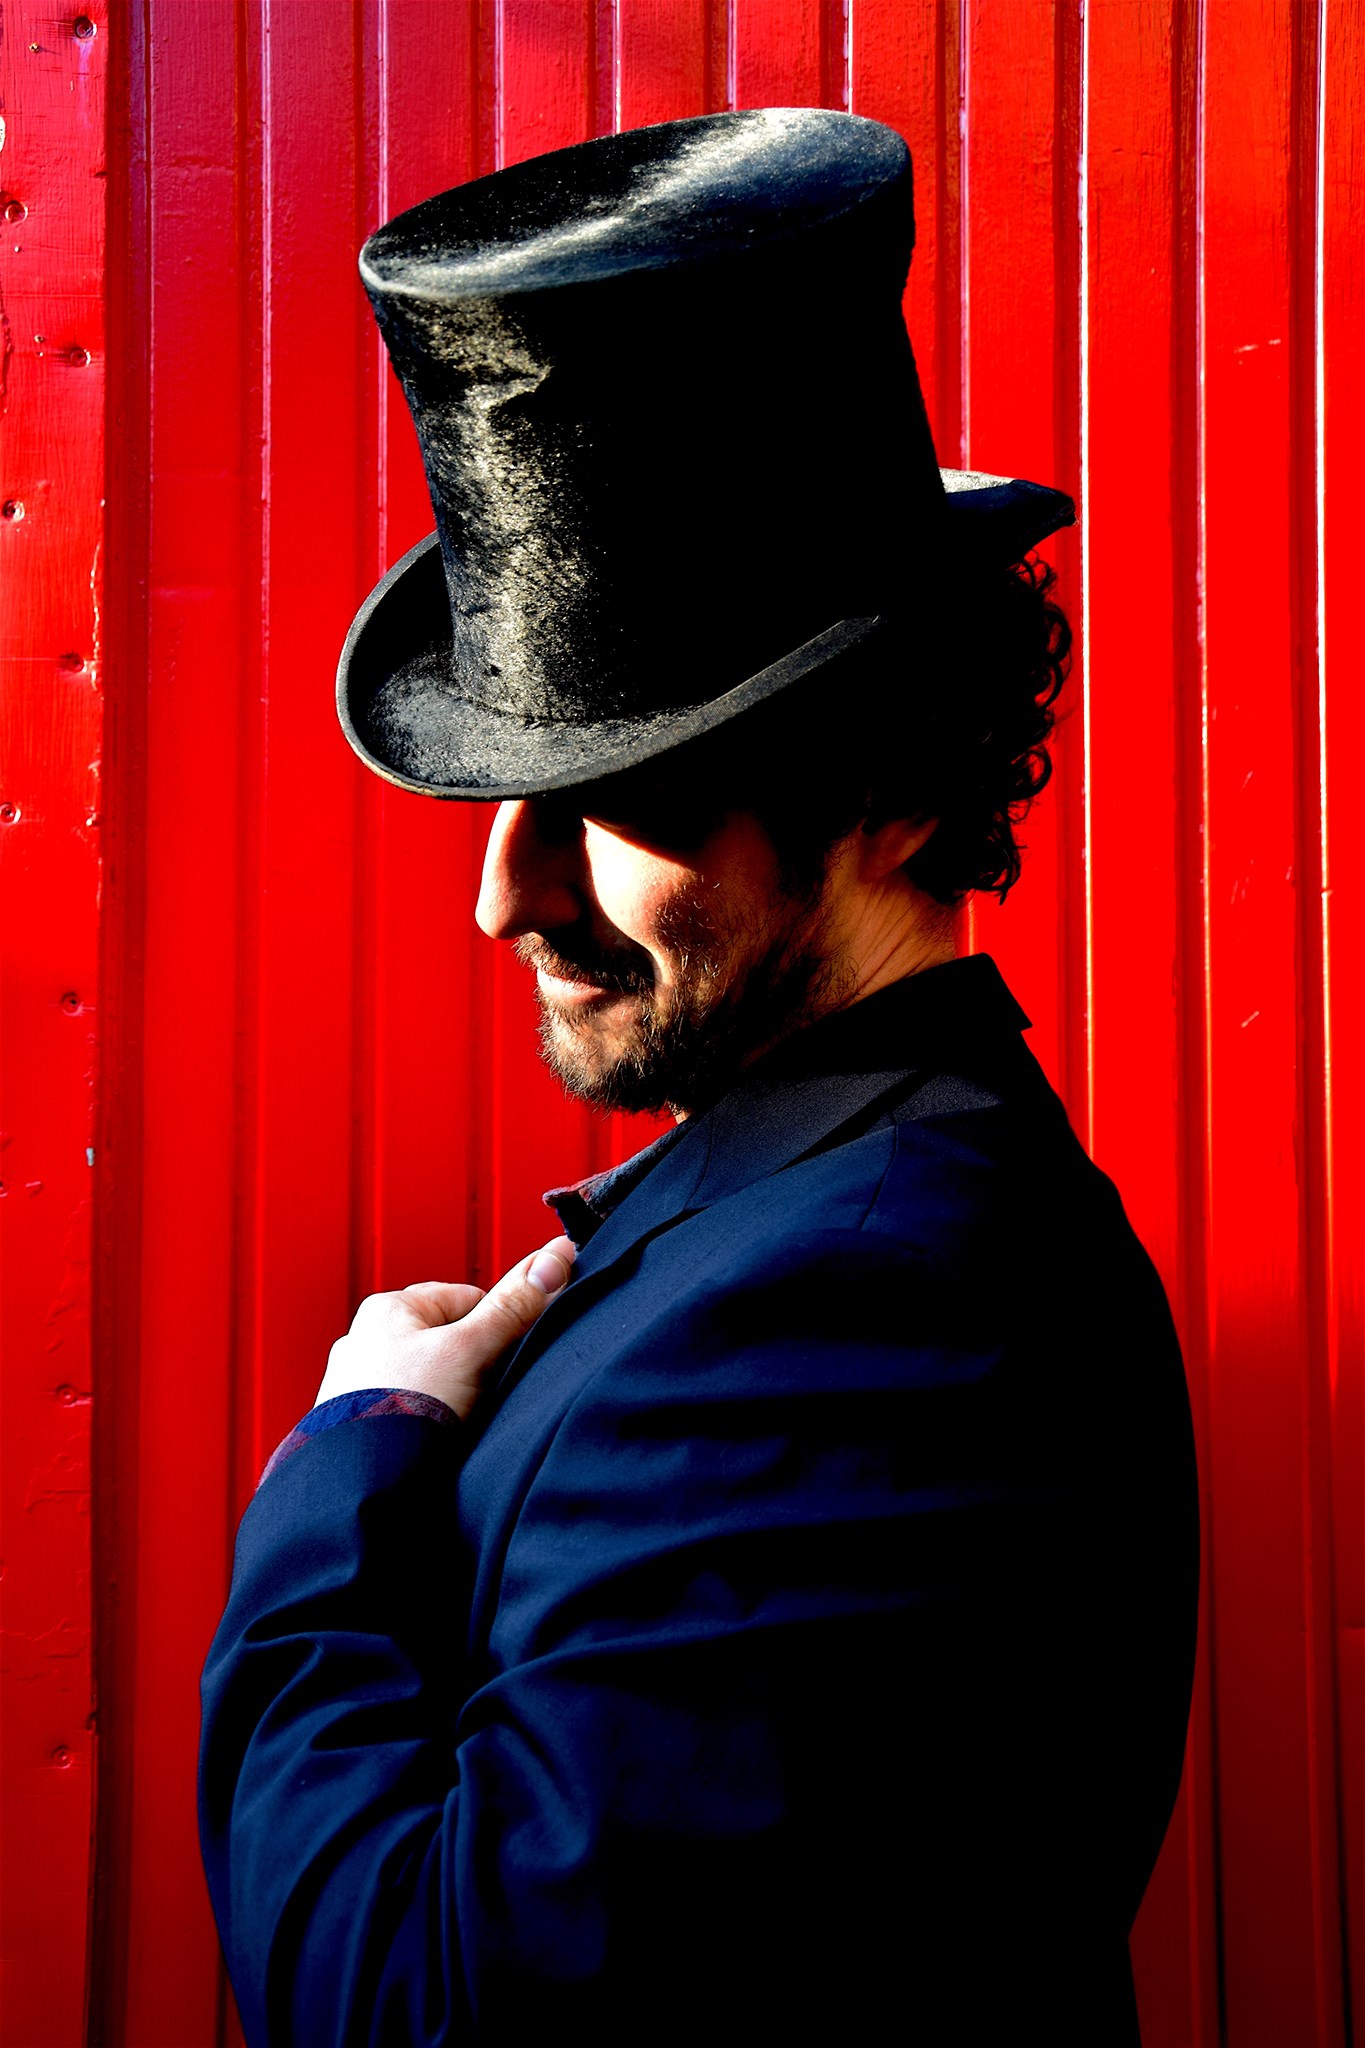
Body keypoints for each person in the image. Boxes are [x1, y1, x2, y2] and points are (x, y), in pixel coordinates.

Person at [199, 109, 1199, 2045]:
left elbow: (417, 2008)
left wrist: (349, 1466)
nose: (503, 894)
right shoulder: (800, 1220)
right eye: (502, 797)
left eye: (614, 797)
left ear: (889, 790)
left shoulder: (865, 1301)